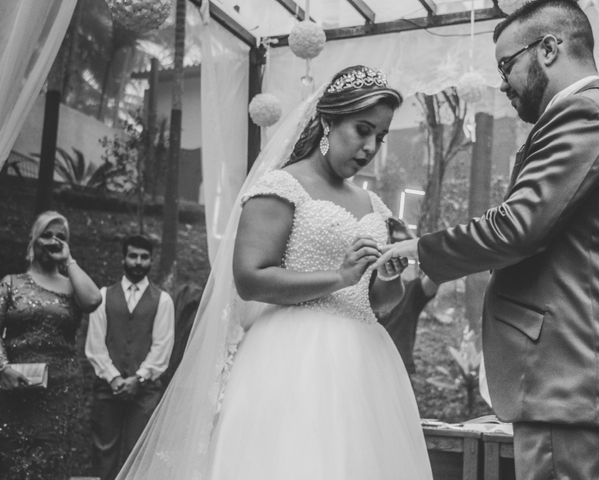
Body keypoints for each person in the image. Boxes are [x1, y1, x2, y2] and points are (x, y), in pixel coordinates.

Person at [115, 65, 432, 479]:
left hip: (365, 364)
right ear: (327, 121)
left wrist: (387, 278)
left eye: (381, 136)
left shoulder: (374, 207)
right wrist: (339, 277)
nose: (371, 146)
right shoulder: (281, 186)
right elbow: (249, 278)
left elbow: (379, 304)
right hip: (291, 358)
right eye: (362, 130)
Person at [376, 1, 599, 478]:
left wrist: (421, 248)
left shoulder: (585, 111)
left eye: (505, 64)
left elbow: (518, 226)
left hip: (571, 381)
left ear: (548, 49)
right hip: (585, 384)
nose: (501, 82)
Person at [0, 210, 102, 479]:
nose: (54, 241)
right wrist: (3, 368)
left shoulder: (72, 286)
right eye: (47, 235)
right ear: (34, 240)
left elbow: (93, 300)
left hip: (60, 389)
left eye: (61, 237)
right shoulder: (12, 283)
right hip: (15, 385)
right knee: (14, 460)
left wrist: (69, 261)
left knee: (51, 461)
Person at [85, 234, 174, 480]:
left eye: (144, 257)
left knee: (140, 453)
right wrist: (113, 378)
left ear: (151, 261)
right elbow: (95, 345)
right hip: (107, 389)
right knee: (104, 453)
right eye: (133, 255)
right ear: (123, 258)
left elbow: (162, 347)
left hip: (145, 391)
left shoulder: (163, 301)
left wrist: (139, 378)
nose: (138, 262)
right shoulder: (103, 296)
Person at [378, 218, 438, 374]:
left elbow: (439, 264)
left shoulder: (413, 291)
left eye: (398, 246)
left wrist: (411, 238)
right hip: (364, 367)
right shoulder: (360, 292)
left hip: (399, 372)